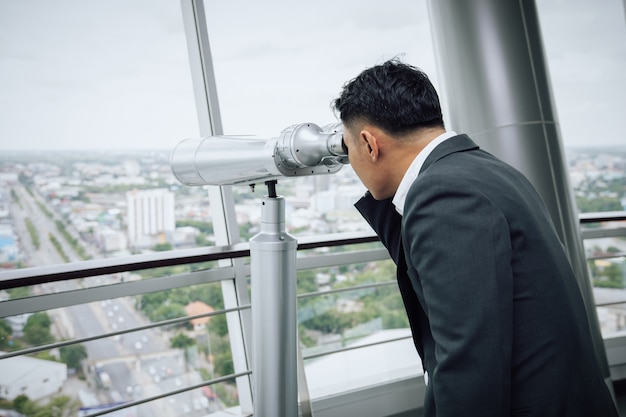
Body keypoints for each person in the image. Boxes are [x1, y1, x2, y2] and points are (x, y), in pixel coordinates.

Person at [332, 59, 618, 417]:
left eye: (348, 148)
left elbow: (470, 356)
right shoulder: (484, 169)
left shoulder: (442, 193)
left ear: (369, 143)